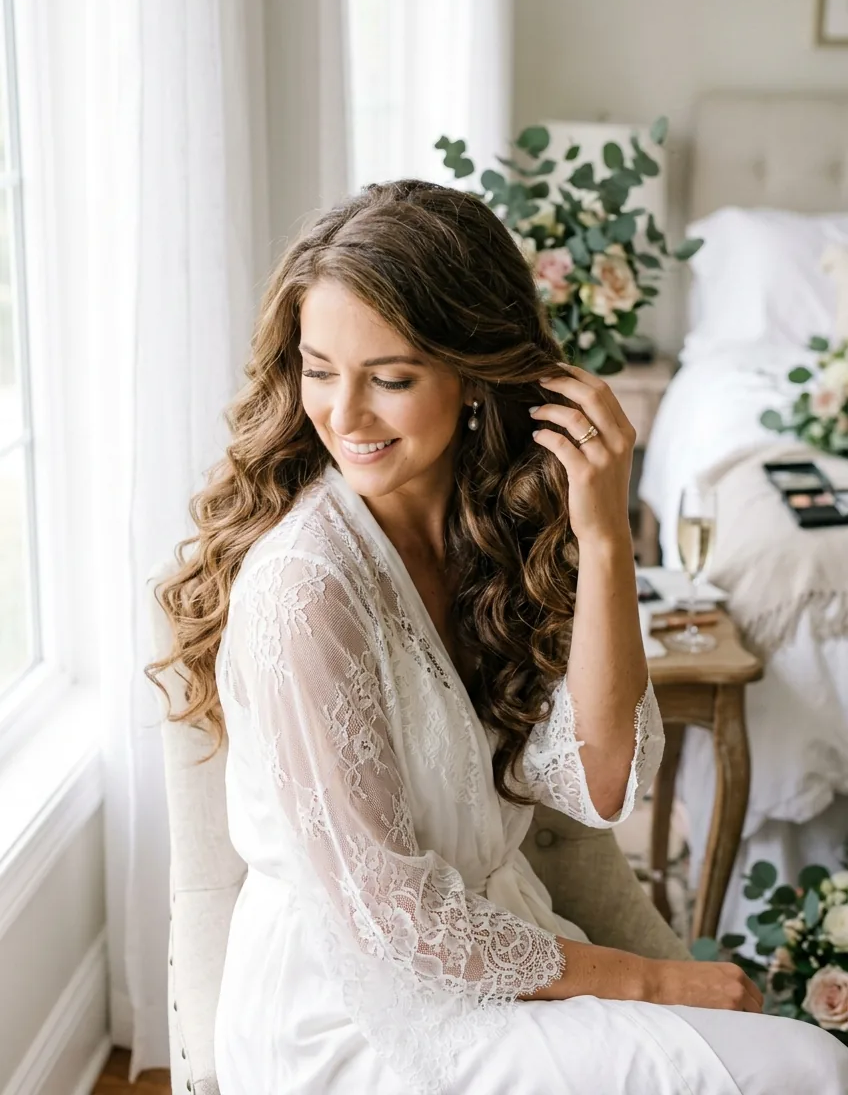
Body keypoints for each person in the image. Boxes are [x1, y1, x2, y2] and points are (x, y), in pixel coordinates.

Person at [149, 181, 848, 1094]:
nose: (344, 415)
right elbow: (393, 917)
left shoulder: (496, 529)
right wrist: (655, 981)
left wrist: (602, 535)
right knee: (803, 1067)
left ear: (475, 373)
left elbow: (602, 786)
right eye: (319, 370)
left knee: (798, 1065)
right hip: (349, 1010)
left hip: (494, 955)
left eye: (389, 378)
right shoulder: (305, 586)